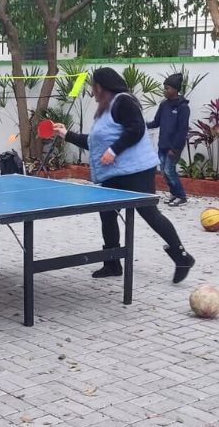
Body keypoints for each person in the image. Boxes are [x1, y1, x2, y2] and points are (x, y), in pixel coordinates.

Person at [53, 67, 195, 283]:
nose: (92, 91)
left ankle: (181, 256)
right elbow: (95, 141)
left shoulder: (123, 101)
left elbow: (136, 129)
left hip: (136, 170)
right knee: (107, 213)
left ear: (101, 86)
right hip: (115, 173)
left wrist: (113, 150)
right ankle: (112, 262)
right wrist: (65, 134)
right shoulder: (105, 108)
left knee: (148, 212)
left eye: (94, 86)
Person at [147, 73, 190, 207]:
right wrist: (142, 125)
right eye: (164, 88)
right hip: (163, 145)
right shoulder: (163, 105)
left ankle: (181, 196)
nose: (165, 91)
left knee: (169, 171)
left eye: (167, 88)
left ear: (176, 90)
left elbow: (182, 130)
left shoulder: (183, 108)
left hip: (174, 147)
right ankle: (174, 194)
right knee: (164, 173)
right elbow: (156, 122)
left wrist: (175, 148)